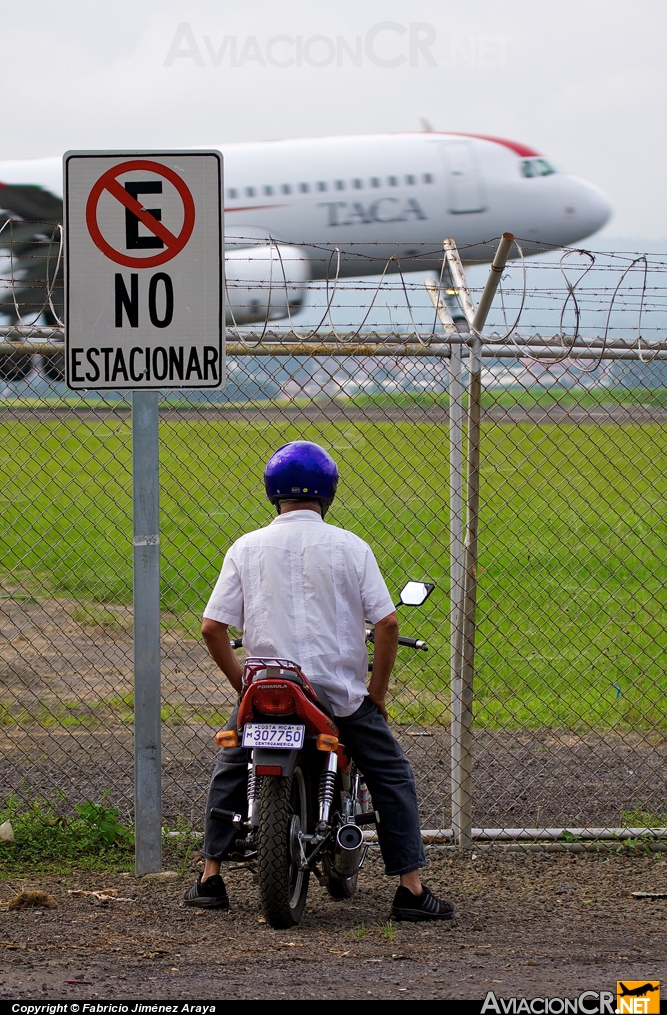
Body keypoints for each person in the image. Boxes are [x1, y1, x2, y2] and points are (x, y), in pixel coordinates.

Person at [184, 441, 453, 922]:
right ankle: (411, 890)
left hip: (269, 690)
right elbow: (388, 624)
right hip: (338, 697)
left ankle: (209, 877)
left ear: (273, 493)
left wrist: (242, 686)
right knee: (392, 776)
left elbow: (212, 627)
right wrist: (377, 694)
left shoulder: (245, 547)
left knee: (230, 765)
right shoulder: (351, 546)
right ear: (328, 491)